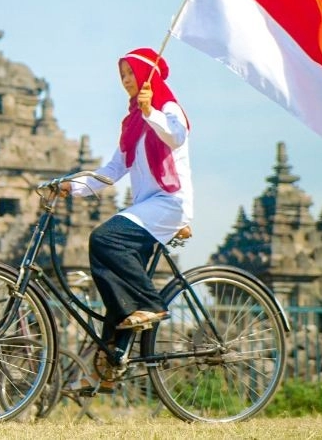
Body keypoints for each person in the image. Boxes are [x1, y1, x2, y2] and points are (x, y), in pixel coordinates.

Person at [60, 47, 193, 389]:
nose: (125, 81)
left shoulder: (166, 109)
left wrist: (151, 111)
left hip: (168, 203)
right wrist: (69, 186)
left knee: (104, 238)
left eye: (130, 73)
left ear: (147, 76)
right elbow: (113, 170)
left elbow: (177, 135)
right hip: (145, 206)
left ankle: (151, 303)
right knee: (113, 282)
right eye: (121, 76)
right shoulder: (133, 122)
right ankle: (108, 367)